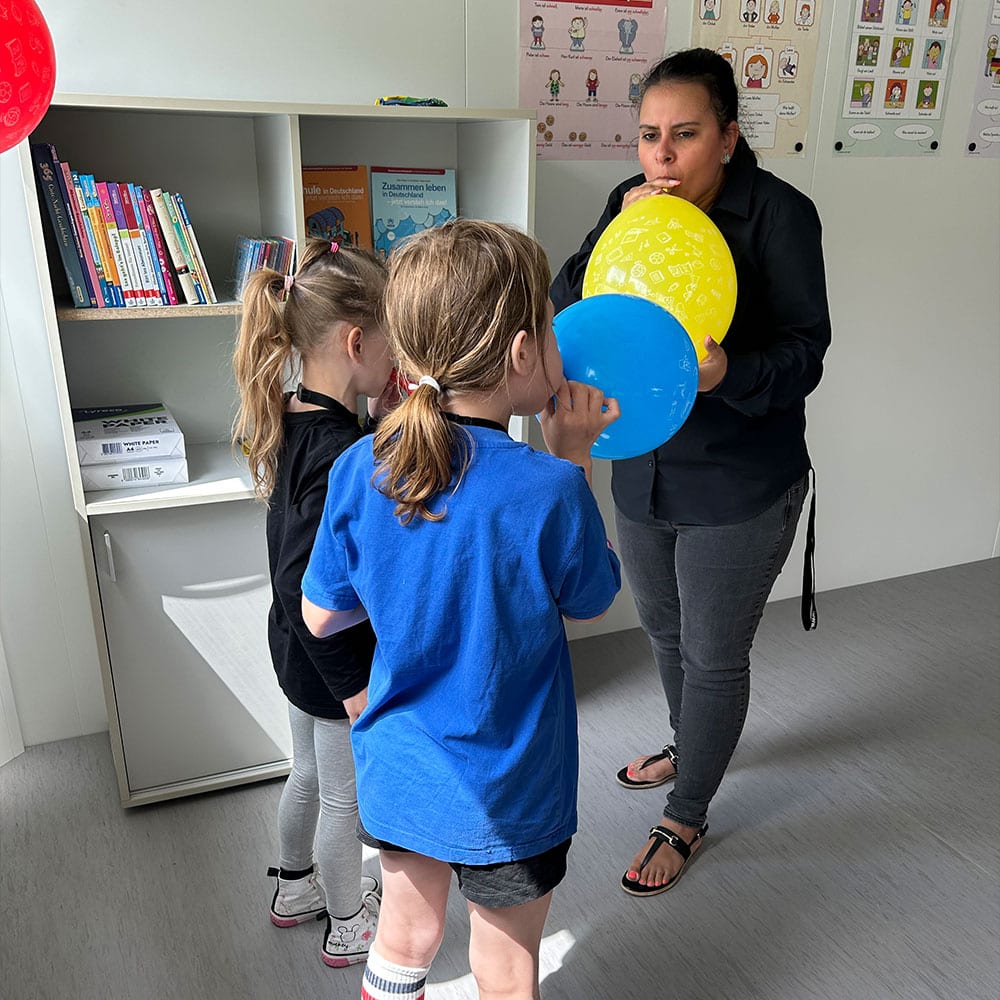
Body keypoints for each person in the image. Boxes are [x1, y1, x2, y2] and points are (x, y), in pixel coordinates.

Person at [300, 219, 622, 999]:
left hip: (400, 768)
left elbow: (321, 616)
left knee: (405, 937)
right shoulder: (548, 488)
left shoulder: (357, 464)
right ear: (521, 353)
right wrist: (574, 458)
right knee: (506, 970)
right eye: (549, 326)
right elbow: (591, 598)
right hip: (512, 787)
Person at [550, 47, 830, 897]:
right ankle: (689, 740)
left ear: (729, 138)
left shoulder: (780, 214)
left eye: (684, 134)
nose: (662, 155)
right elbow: (573, 299)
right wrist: (613, 227)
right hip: (643, 465)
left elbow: (805, 355)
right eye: (647, 136)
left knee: (712, 655)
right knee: (665, 636)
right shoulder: (629, 205)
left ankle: (688, 810)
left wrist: (726, 374)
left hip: (740, 477)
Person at [232, 238, 396, 966]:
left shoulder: (300, 417)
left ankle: (294, 887)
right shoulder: (339, 455)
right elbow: (310, 582)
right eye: (394, 344)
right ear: (357, 341)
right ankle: (346, 922)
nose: (399, 360)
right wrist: (355, 691)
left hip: (293, 655)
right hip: (332, 662)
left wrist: (381, 419)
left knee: (307, 774)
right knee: (344, 799)